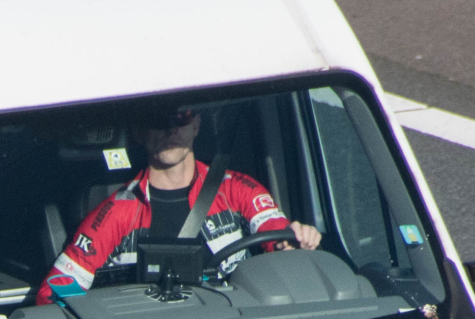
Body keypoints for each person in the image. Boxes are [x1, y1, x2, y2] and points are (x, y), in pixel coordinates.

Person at [30, 107, 321, 305]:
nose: (170, 128)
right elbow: (54, 290)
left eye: (180, 117)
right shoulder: (115, 212)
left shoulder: (236, 189)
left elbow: (278, 236)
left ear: (196, 125)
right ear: (139, 132)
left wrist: (294, 239)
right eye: (157, 119)